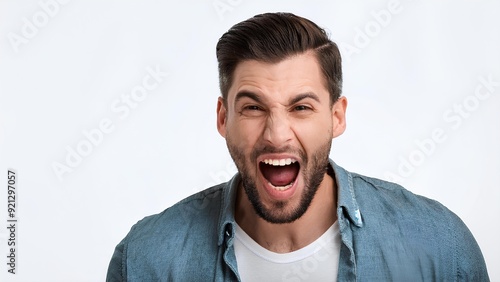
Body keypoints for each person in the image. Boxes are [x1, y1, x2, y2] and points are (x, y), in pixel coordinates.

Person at [106, 12, 489, 281]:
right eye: (253, 107)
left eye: (301, 107)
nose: (277, 134)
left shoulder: (439, 247)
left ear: (337, 117)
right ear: (223, 118)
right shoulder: (147, 260)